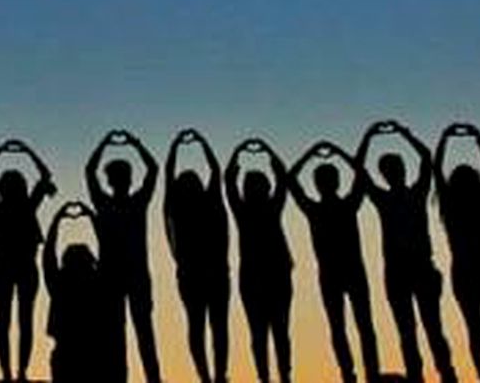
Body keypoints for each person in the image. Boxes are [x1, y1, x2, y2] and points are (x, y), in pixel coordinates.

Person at [359, 120, 456, 383]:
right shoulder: (384, 199)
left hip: (421, 267)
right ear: (386, 174)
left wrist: (405, 133)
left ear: (402, 170)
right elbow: (360, 170)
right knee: (408, 331)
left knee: (433, 328)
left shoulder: (416, 193)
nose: (394, 172)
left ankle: (446, 373)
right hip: (398, 271)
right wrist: (368, 137)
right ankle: (417, 376)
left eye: (396, 168)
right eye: (390, 170)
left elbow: (427, 158)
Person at [287, 140, 380, 383]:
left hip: (344, 273)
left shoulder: (338, 207)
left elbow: (291, 179)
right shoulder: (332, 208)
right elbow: (360, 172)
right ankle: (355, 373)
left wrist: (314, 151)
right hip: (336, 275)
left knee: (355, 326)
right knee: (350, 327)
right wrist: (337, 152)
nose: (326, 184)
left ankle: (361, 373)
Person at [85, 129, 163, 383]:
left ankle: (143, 378)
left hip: (125, 276)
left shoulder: (120, 203)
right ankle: (146, 378)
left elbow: (89, 171)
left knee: (127, 333)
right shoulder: (130, 202)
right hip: (118, 276)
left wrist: (106, 143)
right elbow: (152, 169)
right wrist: (134, 143)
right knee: (128, 333)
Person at [434, 124, 480, 383]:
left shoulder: (451, 204)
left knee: (476, 331)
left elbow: (436, 170)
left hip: (466, 271)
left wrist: (445, 138)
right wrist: (478, 138)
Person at [0, 138, 57, 382]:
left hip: (10, 266)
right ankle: (17, 372)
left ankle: (11, 372)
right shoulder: (25, 206)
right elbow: (45, 175)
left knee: (7, 320)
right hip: (20, 266)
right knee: (21, 320)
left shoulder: (1, 206)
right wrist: (27, 151)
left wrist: (0, 151)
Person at [163, 128, 231, 383]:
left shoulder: (179, 207)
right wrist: (201, 142)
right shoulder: (198, 204)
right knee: (214, 326)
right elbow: (215, 171)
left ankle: (209, 375)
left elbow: (213, 172)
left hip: (197, 275)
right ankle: (216, 375)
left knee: (200, 326)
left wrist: (176, 146)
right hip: (207, 274)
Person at [226, 137, 293, 383]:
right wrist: (262, 150)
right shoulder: (247, 212)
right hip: (259, 279)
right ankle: (270, 377)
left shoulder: (261, 209)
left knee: (274, 332)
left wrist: (241, 151)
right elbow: (230, 182)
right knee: (266, 333)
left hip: (272, 276)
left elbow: (281, 179)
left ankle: (279, 376)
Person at [43, 201, 123, 383]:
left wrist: (56, 220)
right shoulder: (96, 283)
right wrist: (93, 218)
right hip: (94, 355)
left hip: (66, 354)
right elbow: (108, 251)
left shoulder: (60, 285)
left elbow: (48, 255)